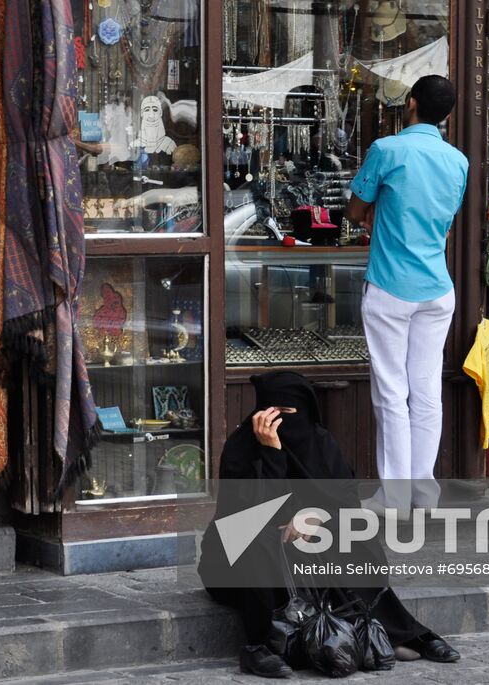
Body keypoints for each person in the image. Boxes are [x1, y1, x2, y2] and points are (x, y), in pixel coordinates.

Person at [199, 371, 460, 678]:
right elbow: (249, 513)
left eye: (287, 412)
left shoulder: (320, 443)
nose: (279, 421)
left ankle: (398, 632)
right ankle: (262, 647)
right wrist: (271, 452)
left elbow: (346, 500)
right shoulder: (242, 447)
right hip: (234, 560)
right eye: (271, 412)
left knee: (354, 536)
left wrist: (316, 515)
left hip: (302, 546)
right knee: (259, 541)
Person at [345, 74, 467, 515]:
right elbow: (445, 222)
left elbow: (355, 209)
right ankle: (423, 493)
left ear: (410, 103)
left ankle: (394, 498)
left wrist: (374, 214)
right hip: (437, 288)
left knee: (392, 393)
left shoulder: (387, 149)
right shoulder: (458, 161)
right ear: (447, 115)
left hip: (391, 287)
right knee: (427, 390)